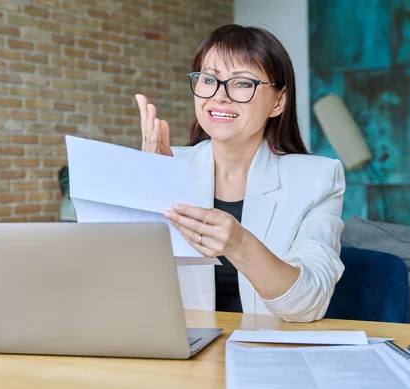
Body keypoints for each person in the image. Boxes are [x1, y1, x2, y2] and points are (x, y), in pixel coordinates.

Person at [135, 24, 345, 323]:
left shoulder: (317, 179)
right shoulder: (164, 164)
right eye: (209, 79)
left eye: (242, 83)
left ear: (278, 102)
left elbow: (308, 304)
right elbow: (132, 291)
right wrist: (143, 191)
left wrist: (238, 244)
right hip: (182, 350)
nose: (220, 96)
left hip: (270, 352)